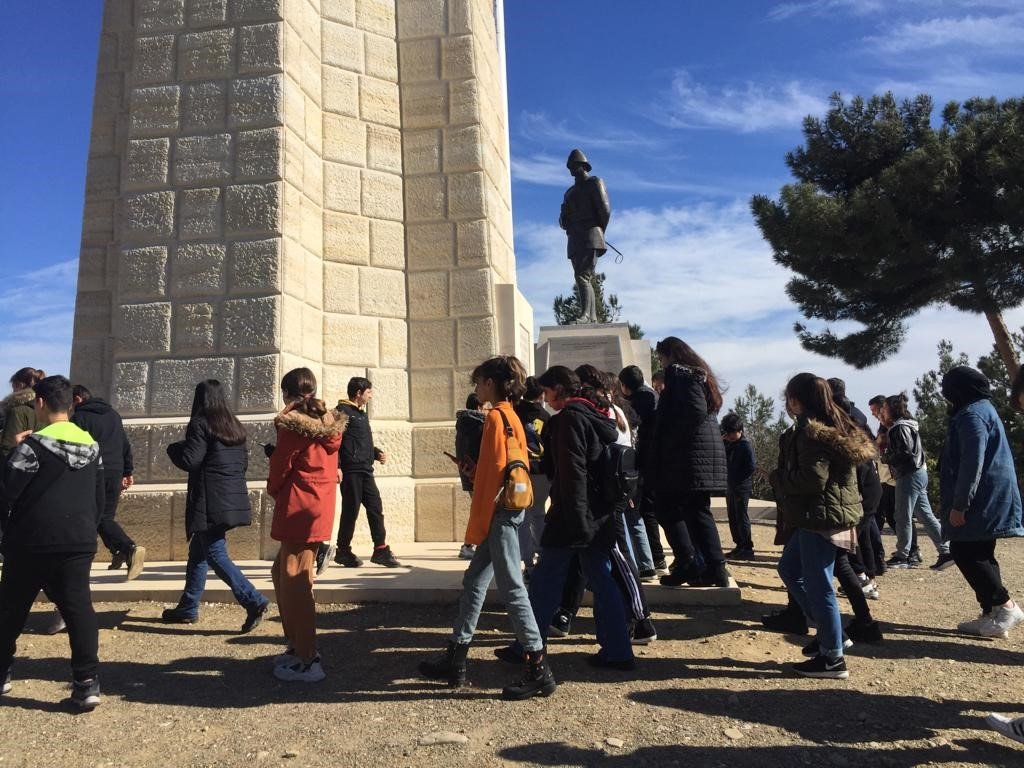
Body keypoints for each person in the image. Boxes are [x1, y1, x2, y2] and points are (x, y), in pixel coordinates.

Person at [419, 356, 557, 700]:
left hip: (499, 513)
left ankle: (538, 666)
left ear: (492, 384)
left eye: (479, 382)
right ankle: (457, 655)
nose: (476, 388)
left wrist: (477, 521)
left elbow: (489, 477)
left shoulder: (495, 417)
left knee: (512, 588)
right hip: (512, 507)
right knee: (475, 581)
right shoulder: (511, 415)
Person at [505, 365, 636, 669]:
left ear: (560, 390)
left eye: (549, 392)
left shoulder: (568, 420)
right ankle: (618, 650)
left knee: (545, 581)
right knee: (602, 581)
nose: (547, 399)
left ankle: (527, 645)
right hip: (598, 513)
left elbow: (572, 473)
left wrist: (576, 521)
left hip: (573, 515)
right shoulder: (598, 416)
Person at [0, 375, 104, 710]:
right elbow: (101, 496)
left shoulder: (31, 447)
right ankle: (86, 682)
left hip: (31, 540)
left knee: (10, 610)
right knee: (78, 609)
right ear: (73, 404)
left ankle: (2, 673)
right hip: (77, 539)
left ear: (41, 403)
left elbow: (6, 492)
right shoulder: (92, 445)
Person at [771, 373, 876, 679]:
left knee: (820, 587)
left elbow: (812, 479)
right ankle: (834, 635)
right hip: (823, 516)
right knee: (790, 571)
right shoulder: (835, 426)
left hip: (820, 518)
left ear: (796, 401)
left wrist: (778, 480)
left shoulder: (811, 434)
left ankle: (832, 658)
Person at [162, 380, 269, 634]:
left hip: (210, 500)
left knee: (214, 553)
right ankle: (188, 607)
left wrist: (173, 448)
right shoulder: (234, 426)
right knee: (198, 553)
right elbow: (241, 465)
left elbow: (191, 459)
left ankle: (253, 600)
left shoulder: (201, 423)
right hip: (231, 498)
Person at [267, 368, 345, 682]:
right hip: (318, 504)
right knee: (286, 574)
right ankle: (298, 644)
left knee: (295, 580)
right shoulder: (328, 423)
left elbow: (281, 464)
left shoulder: (294, 425)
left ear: (287, 392)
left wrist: (275, 489)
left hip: (299, 503)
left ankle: (307, 656)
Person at [938, 366, 1023, 639]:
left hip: (982, 498)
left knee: (965, 552)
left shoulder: (971, 414)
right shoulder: (983, 408)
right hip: (992, 494)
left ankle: (1005, 606)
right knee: (982, 551)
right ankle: (991, 614)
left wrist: (960, 505)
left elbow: (971, 462)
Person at [651, 337, 730, 588]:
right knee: (697, 512)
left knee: (668, 507)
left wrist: (670, 440)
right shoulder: (699, 375)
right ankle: (711, 568)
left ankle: (692, 562)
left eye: (661, 358)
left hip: (688, 456)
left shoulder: (680, 374)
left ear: (671, 356)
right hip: (700, 455)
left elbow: (692, 412)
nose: (661, 363)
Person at [70, 385, 145, 581]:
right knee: (106, 516)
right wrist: (127, 471)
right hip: (115, 470)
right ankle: (117, 552)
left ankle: (128, 548)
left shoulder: (79, 418)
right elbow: (124, 443)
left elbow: (76, 449)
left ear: (77, 399)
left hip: (94, 471)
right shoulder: (113, 414)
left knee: (97, 517)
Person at [332, 377, 401, 569]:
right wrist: (337, 466)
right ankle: (343, 551)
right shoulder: (341, 412)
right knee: (350, 511)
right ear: (358, 393)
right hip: (350, 470)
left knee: (375, 507)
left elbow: (361, 441)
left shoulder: (361, 414)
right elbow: (334, 440)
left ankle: (380, 549)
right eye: (369, 392)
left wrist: (375, 452)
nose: (371, 396)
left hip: (365, 470)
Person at [880, 394, 952, 570]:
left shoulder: (899, 428)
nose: (882, 411)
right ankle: (946, 551)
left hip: (908, 474)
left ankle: (902, 556)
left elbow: (905, 452)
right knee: (925, 515)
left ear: (892, 409)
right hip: (918, 473)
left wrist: (885, 457)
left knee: (902, 515)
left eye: (884, 408)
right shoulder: (907, 425)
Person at [618, 365, 666, 574]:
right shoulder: (651, 396)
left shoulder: (640, 402)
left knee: (643, 512)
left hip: (645, 464)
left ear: (624, 385)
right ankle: (652, 560)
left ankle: (654, 559)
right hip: (653, 462)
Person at [559, 148, 611, 324]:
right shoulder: (569, 193)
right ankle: (592, 317)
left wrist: (599, 231)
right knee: (583, 276)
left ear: (583, 166)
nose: (572, 170)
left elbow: (605, 210)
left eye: (574, 166)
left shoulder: (595, 182)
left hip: (590, 235)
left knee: (582, 276)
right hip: (574, 237)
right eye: (570, 167)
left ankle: (586, 316)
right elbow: (562, 222)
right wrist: (564, 215)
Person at [514, 377, 550, 575]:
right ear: (541, 394)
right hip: (541, 472)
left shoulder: (515, 412)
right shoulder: (545, 416)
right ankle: (543, 554)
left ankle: (527, 562)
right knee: (539, 514)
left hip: (520, 472)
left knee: (523, 517)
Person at [454, 393, 489, 560]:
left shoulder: (462, 424)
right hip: (478, 473)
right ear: (479, 407)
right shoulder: (480, 425)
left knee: (477, 509)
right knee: (479, 511)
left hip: (466, 471)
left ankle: (470, 544)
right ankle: (469, 545)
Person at [721, 413, 755, 560]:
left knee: (741, 517)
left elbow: (751, 466)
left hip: (742, 486)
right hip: (730, 485)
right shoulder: (728, 444)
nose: (730, 436)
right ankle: (739, 545)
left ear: (740, 430)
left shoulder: (745, 445)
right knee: (732, 517)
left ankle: (747, 547)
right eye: (727, 433)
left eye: (732, 433)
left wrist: (738, 476)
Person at [1, 368, 45, 462]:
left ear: (20, 385)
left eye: (13, 387)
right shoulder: (45, 409)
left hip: (16, 468)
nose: (12, 392)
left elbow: (8, 448)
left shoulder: (17, 411)